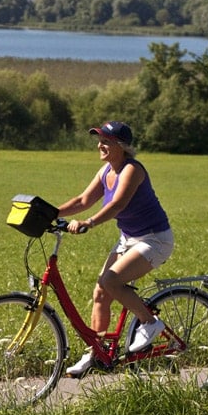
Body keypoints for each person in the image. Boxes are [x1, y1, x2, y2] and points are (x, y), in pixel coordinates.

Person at [57, 121, 174, 377]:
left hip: (154, 239)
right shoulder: (105, 172)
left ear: (121, 146)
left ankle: (150, 322)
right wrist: (51, 213)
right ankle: (96, 352)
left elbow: (118, 205)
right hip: (129, 238)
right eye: (100, 140)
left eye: (106, 141)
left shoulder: (132, 170)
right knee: (101, 292)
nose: (100, 145)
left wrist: (89, 222)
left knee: (111, 280)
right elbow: (83, 200)